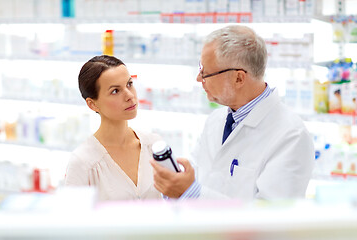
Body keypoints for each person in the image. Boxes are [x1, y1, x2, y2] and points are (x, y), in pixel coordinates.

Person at [151, 25, 315, 201]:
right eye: (200, 68)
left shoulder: (290, 135)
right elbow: (198, 174)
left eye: (206, 72)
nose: (199, 78)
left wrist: (191, 193)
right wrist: (176, 186)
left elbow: (271, 217)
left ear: (239, 78)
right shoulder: (216, 120)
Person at [65, 55, 162, 201]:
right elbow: (73, 220)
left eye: (129, 84)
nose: (130, 96)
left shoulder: (154, 145)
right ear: (92, 104)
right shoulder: (83, 162)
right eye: (115, 91)